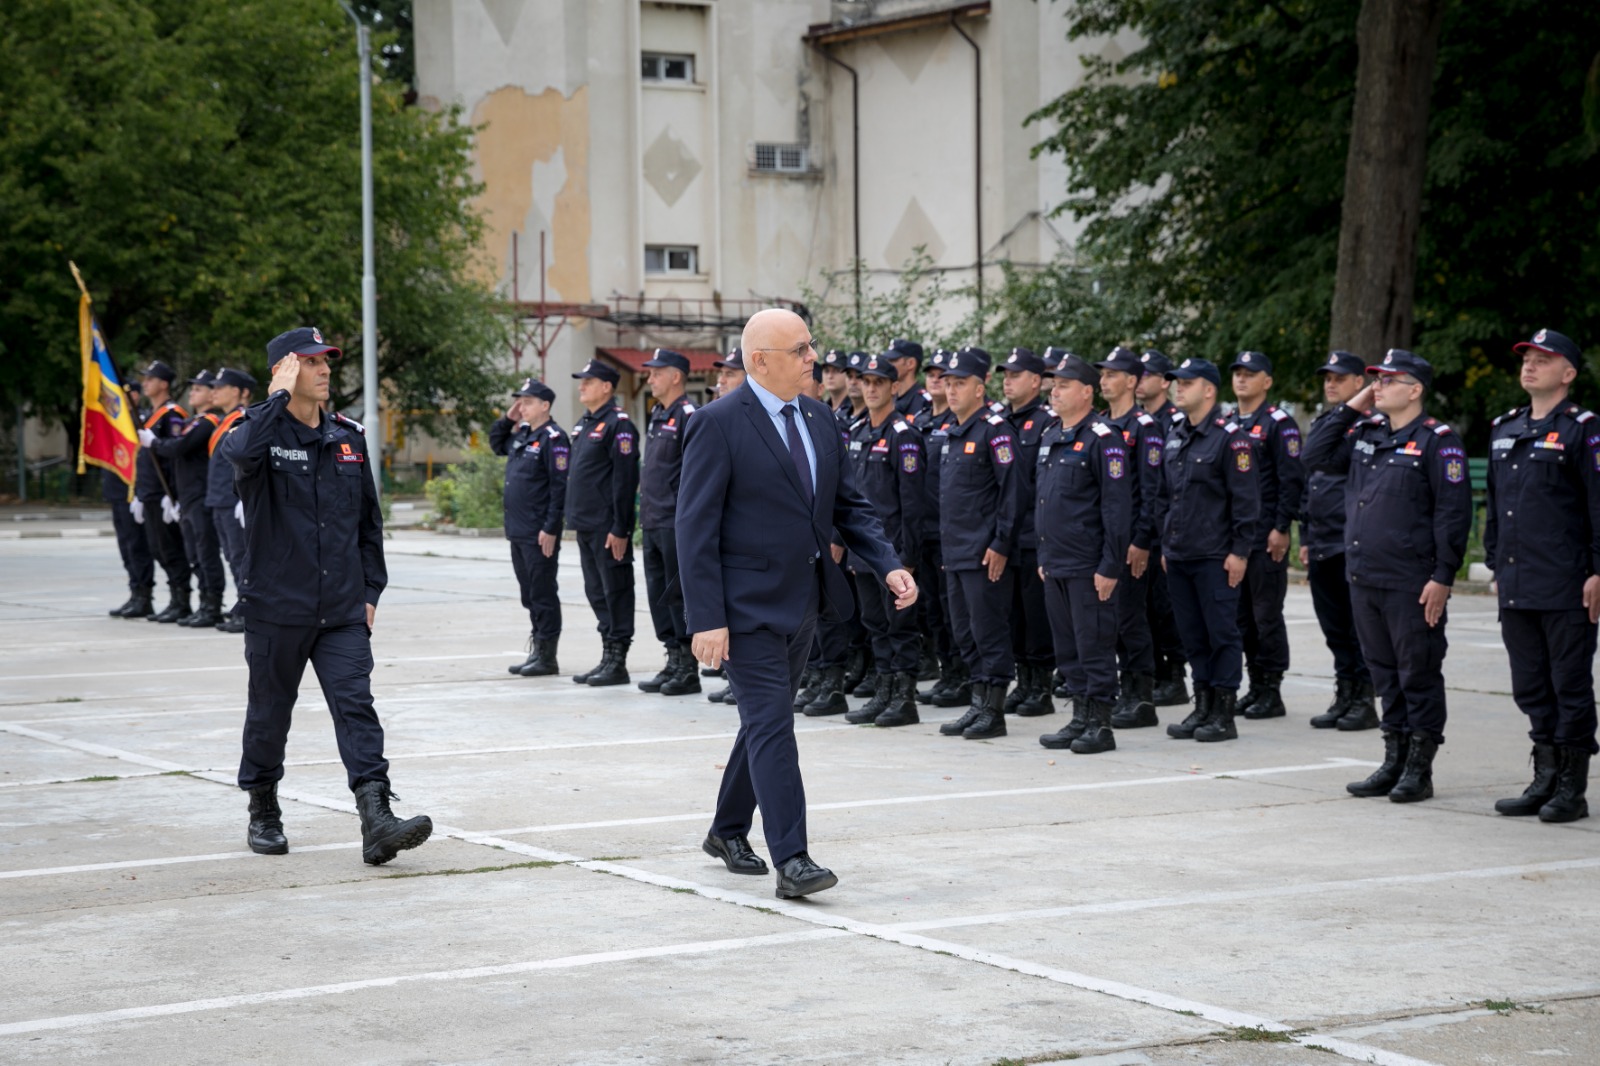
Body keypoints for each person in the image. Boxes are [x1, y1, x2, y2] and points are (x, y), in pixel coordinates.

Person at [678, 308, 914, 898]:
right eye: (802, 349)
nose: (815, 358)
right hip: (744, 608)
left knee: (764, 721)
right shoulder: (719, 422)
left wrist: (888, 563)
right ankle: (794, 859)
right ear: (761, 360)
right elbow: (694, 527)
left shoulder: (818, 417)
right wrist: (707, 618)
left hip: (804, 600)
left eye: (812, 347)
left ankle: (727, 829)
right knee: (774, 724)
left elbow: (847, 506)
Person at [221, 327, 431, 865]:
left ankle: (376, 817)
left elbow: (368, 524)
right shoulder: (257, 431)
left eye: (326, 362)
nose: (325, 370)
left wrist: (369, 592)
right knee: (270, 713)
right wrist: (275, 397)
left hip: (340, 607)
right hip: (276, 605)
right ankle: (263, 806)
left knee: (356, 706)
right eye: (311, 363)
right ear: (286, 371)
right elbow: (238, 456)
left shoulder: (348, 436)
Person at [1303, 349, 1471, 804]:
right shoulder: (1366, 432)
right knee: (1384, 673)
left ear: (1415, 390)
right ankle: (1394, 757)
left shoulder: (1438, 441)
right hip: (1365, 574)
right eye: (1374, 379)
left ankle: (1419, 766)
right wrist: (1355, 403)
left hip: (1412, 580)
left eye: (1389, 379)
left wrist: (1443, 575)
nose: (1378, 385)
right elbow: (1314, 454)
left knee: (1417, 671)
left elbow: (1452, 515)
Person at [1486, 329, 1599, 823]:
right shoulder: (1504, 428)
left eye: (1543, 359)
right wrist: (1493, 562)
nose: (1530, 365)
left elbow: (1598, 505)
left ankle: (1572, 786)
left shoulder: (1583, 429)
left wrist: (1598, 571)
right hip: (1516, 580)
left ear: (1568, 374)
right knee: (1530, 684)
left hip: (1566, 580)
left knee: (1568, 684)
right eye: (1527, 358)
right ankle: (1545, 775)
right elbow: (1495, 506)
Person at [1159, 358, 1259, 744]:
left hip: (1216, 554)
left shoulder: (1230, 438)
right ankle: (1201, 705)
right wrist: (1167, 542)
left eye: (1186, 382)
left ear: (1209, 390)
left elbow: (1246, 500)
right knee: (1192, 635)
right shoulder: (1176, 433)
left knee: (1221, 634)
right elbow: (1165, 496)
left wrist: (1240, 551)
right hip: (1181, 552)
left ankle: (1223, 711)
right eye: (1176, 382)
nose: (1177, 388)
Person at [1036, 354, 1132, 754]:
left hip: (1088, 565)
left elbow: (1116, 508)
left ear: (1087, 392)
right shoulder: (1052, 435)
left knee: (1093, 644)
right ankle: (1079, 716)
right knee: (1068, 647)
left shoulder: (1104, 438)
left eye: (1063, 385)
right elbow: (1043, 502)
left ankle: (1100, 723)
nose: (1054, 392)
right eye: (1053, 385)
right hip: (1056, 561)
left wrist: (1110, 565)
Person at [936, 347, 1021, 740]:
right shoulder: (954, 432)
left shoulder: (995, 429)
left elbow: (1013, 492)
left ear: (980, 387)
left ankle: (995, 709)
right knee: (964, 632)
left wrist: (1002, 543)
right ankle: (978, 701)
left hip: (984, 552)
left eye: (960, 383)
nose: (951, 390)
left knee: (989, 631)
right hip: (955, 552)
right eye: (948, 383)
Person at [842, 355, 926, 727]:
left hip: (892, 552)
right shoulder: (859, 431)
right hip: (863, 552)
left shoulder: (903, 434)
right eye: (866, 381)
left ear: (894, 387)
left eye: (879, 382)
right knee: (875, 622)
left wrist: (907, 557)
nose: (871, 388)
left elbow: (913, 503)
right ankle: (884, 690)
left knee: (900, 625)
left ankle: (904, 698)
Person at [1227, 351, 1305, 720]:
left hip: (1265, 535)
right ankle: (1255, 683)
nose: (1242, 379)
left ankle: (1271, 689)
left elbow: (1291, 480)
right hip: (1236, 539)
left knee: (1266, 615)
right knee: (1241, 617)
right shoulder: (1228, 422)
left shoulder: (1279, 423)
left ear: (1267, 381)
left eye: (1250, 374)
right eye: (1237, 374)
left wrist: (1281, 527)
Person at [1301, 351, 1377, 729]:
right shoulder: (1328, 423)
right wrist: (1304, 534)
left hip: (1350, 542)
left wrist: (1355, 409)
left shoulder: (1371, 425)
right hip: (1321, 540)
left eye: (1339, 378)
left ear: (1359, 383)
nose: (1330, 383)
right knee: (1333, 628)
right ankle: (1345, 693)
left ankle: (1364, 699)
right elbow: (1310, 473)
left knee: (1356, 627)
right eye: (1327, 377)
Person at [1093, 345, 1165, 729]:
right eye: (1102, 374)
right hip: (1105, 540)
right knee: (1111, 619)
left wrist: (1141, 540)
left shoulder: (1145, 427)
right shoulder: (1102, 424)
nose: (1104, 380)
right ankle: (1126, 688)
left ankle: (1142, 696)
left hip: (1133, 541)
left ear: (1132, 381)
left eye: (1112, 374)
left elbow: (1151, 490)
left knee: (1131, 618)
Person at [566, 359, 640, 687]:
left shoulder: (618, 424)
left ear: (606, 387)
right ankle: (607, 652)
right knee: (596, 591)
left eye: (588, 381)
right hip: (585, 523)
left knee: (616, 591)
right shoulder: (584, 424)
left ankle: (618, 659)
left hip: (607, 527)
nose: (581, 386)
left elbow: (624, 481)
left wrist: (621, 527)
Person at [491, 377, 569, 678]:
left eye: (527, 402)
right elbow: (497, 443)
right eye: (519, 401)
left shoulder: (554, 438)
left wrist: (551, 527)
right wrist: (507, 418)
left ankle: (548, 656)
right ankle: (538, 648)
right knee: (529, 594)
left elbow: (559, 487)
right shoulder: (523, 434)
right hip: (519, 530)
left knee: (543, 593)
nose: (521, 407)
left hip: (539, 532)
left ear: (545, 405)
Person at [637, 349, 699, 695]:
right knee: (658, 594)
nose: (650, 379)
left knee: (678, 595)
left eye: (656, 373)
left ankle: (688, 666)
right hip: (653, 518)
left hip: (675, 521)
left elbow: (692, 472)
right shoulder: (659, 413)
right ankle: (673, 657)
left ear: (675, 376)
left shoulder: (688, 415)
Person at [999, 347, 1057, 717]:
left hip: (1034, 536)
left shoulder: (1048, 422)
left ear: (1036, 381)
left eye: (1015, 375)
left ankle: (1041, 686)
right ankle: (1024, 679)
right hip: (1008, 535)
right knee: (1014, 615)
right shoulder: (999, 421)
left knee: (1037, 616)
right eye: (1004, 374)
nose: (1007, 381)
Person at [147, 369, 227, 630]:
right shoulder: (194, 421)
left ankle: (212, 605)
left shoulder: (209, 422)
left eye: (199, 389)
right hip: (189, 497)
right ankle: (203, 603)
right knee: (195, 554)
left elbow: (180, 447)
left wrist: (154, 443)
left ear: (212, 395)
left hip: (202, 496)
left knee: (206, 553)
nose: (193, 393)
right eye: (192, 389)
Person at [913, 349, 967, 707]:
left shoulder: (958, 421)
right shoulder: (919, 421)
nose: (938, 381)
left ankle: (962, 675)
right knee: (933, 610)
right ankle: (948, 672)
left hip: (952, 534)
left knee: (954, 612)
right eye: (933, 374)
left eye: (945, 376)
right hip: (925, 532)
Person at [1136, 349, 1190, 707]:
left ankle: (1174, 676)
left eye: (1148, 374)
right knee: (1144, 609)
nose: (1140, 379)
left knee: (1166, 608)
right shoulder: (1137, 421)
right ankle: (1153, 671)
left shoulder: (1174, 421)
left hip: (1166, 532)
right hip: (1143, 527)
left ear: (1165, 381)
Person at [131, 360, 192, 623]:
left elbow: (176, 453)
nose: (145, 383)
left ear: (163, 384)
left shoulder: (172, 414)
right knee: (157, 549)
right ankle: (173, 598)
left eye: (150, 379)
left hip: (164, 491)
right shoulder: (146, 415)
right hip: (148, 491)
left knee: (171, 549)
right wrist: (138, 493)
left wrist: (172, 493)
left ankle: (182, 601)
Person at [206, 368, 256, 633]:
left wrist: (244, 497)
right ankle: (241, 604)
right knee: (232, 556)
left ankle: (248, 610)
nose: (215, 392)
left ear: (239, 392)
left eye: (221, 386)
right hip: (220, 499)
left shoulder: (244, 419)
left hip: (232, 499)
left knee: (240, 557)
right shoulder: (225, 421)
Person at [887, 338, 931, 420]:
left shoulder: (924, 402)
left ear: (910, 363)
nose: (888, 365)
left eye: (893, 361)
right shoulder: (889, 398)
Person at [821, 348, 853, 425]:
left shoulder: (854, 408)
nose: (830, 376)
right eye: (826, 371)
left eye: (836, 371)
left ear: (847, 374)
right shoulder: (822, 408)